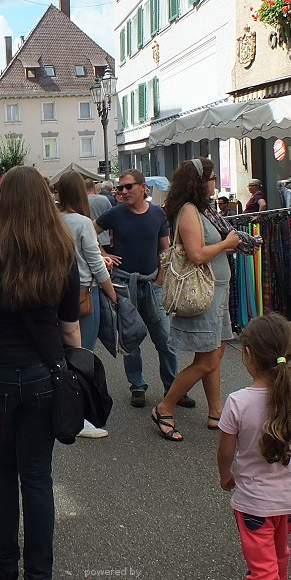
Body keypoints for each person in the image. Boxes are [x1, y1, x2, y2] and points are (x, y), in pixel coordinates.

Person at [0, 165, 80, 580]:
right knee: (37, 478)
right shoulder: (62, 252)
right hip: (43, 374)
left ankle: (5, 567)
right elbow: (70, 329)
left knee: (1, 475)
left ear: (6, 203)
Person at [217, 313, 291, 580]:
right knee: (278, 552)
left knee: (261, 570)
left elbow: (225, 452)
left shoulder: (237, 402)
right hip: (290, 503)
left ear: (247, 355)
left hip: (253, 505)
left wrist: (226, 475)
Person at [151, 159, 240, 441]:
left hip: (218, 291)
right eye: (212, 178)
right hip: (204, 293)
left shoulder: (205, 210)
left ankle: (216, 412)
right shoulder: (190, 211)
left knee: (213, 355)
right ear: (199, 181)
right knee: (208, 360)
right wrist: (227, 244)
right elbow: (197, 254)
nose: (215, 182)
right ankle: (164, 407)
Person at [95, 169, 180, 408]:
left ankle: (173, 388)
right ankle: (137, 386)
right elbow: (89, 233)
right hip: (124, 283)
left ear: (143, 188)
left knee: (165, 339)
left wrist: (161, 278)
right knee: (130, 339)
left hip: (152, 284)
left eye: (128, 187)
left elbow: (165, 248)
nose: (123, 192)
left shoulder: (156, 214)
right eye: (120, 188)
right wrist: (104, 255)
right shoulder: (115, 213)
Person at [56, 171, 118, 439]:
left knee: (63, 353)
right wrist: (112, 293)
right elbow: (94, 262)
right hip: (83, 292)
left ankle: (62, 406)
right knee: (83, 355)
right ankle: (79, 415)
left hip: (56, 290)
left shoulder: (53, 220)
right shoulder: (82, 222)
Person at [86, 178, 113, 248]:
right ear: (94, 187)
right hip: (105, 239)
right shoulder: (104, 199)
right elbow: (112, 218)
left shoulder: (83, 201)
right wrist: (111, 235)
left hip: (90, 240)